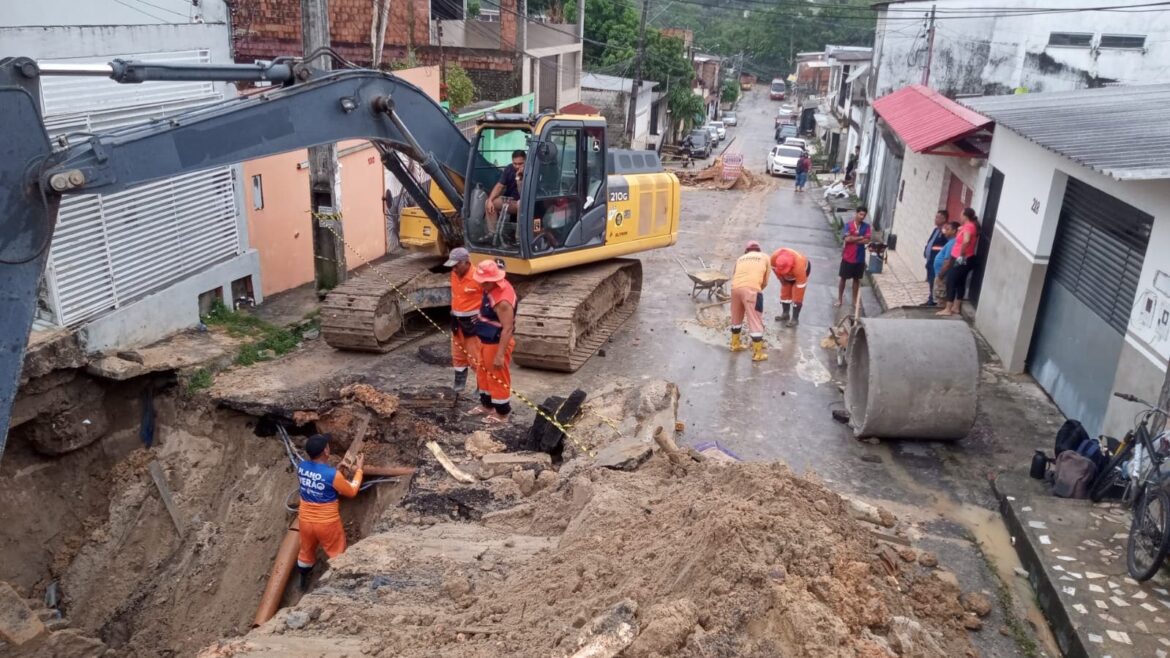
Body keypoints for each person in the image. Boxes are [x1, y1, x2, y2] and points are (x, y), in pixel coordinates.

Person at [295, 434, 363, 590]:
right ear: (326, 451)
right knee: (337, 554)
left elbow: (319, 481)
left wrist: (336, 471)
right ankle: (337, 585)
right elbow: (352, 491)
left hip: (305, 522)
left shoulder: (302, 467)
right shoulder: (332, 475)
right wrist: (359, 470)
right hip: (327, 523)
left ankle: (302, 583)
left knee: (306, 552)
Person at [468, 260, 517, 423]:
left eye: (484, 283)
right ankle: (487, 405)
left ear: (493, 280)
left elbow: (508, 328)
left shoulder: (502, 302)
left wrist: (500, 355)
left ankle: (502, 413)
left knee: (497, 376)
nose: (481, 286)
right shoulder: (491, 288)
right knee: (483, 373)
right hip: (486, 340)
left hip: (496, 343)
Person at [445, 247, 481, 392]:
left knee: (475, 357)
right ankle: (459, 383)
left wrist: (483, 317)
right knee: (458, 354)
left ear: (466, 262)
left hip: (472, 324)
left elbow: (491, 299)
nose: (453, 269)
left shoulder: (478, 276)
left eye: (456, 265)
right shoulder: (454, 274)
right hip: (456, 322)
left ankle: (482, 387)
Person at [729, 240, 770, 362]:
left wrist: (740, 289)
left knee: (736, 317)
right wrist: (757, 290)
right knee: (754, 319)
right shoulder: (765, 257)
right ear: (759, 249)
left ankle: (734, 344)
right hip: (752, 290)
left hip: (735, 288)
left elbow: (734, 274)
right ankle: (758, 353)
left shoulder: (741, 258)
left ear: (746, 250)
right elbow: (765, 280)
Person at [938, 208, 979, 317]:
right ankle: (956, 307)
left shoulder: (969, 226)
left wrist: (961, 255)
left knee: (951, 280)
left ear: (965, 216)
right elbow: (963, 232)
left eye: (961, 214)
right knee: (960, 281)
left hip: (961, 258)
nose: (960, 216)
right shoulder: (967, 226)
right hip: (964, 258)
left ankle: (948, 309)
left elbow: (966, 240)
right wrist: (960, 229)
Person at [836, 206, 871, 309]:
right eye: (860, 214)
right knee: (843, 279)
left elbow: (867, 240)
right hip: (847, 257)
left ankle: (855, 301)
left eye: (864, 215)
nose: (862, 217)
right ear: (856, 213)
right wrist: (860, 237)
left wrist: (853, 239)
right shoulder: (848, 225)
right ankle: (839, 299)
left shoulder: (867, 226)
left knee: (856, 280)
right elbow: (847, 239)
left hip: (859, 258)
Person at [770, 247, 810, 327]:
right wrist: (781, 279)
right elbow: (774, 269)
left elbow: (800, 287)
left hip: (803, 271)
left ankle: (795, 319)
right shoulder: (774, 258)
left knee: (797, 295)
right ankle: (785, 314)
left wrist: (797, 301)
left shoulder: (799, 266)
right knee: (785, 291)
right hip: (787, 273)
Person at [486, 150, 526, 223]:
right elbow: (499, 186)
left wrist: (519, 177)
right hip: (511, 201)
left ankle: (519, 234)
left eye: (520, 164)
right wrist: (490, 200)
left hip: (524, 203)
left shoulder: (530, 171)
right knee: (489, 202)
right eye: (515, 163)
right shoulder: (509, 168)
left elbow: (522, 193)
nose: (517, 166)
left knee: (520, 203)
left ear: (525, 161)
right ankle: (492, 233)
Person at [923, 210, 950, 307]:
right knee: (930, 280)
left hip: (937, 261)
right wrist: (926, 251)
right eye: (936, 217)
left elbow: (947, 246)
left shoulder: (945, 232)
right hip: (930, 261)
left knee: (935, 280)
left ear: (944, 219)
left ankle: (934, 301)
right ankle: (931, 299)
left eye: (938, 217)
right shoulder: (936, 230)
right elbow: (930, 242)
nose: (936, 219)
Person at [932, 221, 959, 303]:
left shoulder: (953, 243)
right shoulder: (950, 242)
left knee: (940, 298)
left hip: (943, 275)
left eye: (948, 229)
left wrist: (940, 275)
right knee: (938, 296)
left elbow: (947, 261)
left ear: (954, 231)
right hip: (941, 274)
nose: (945, 231)